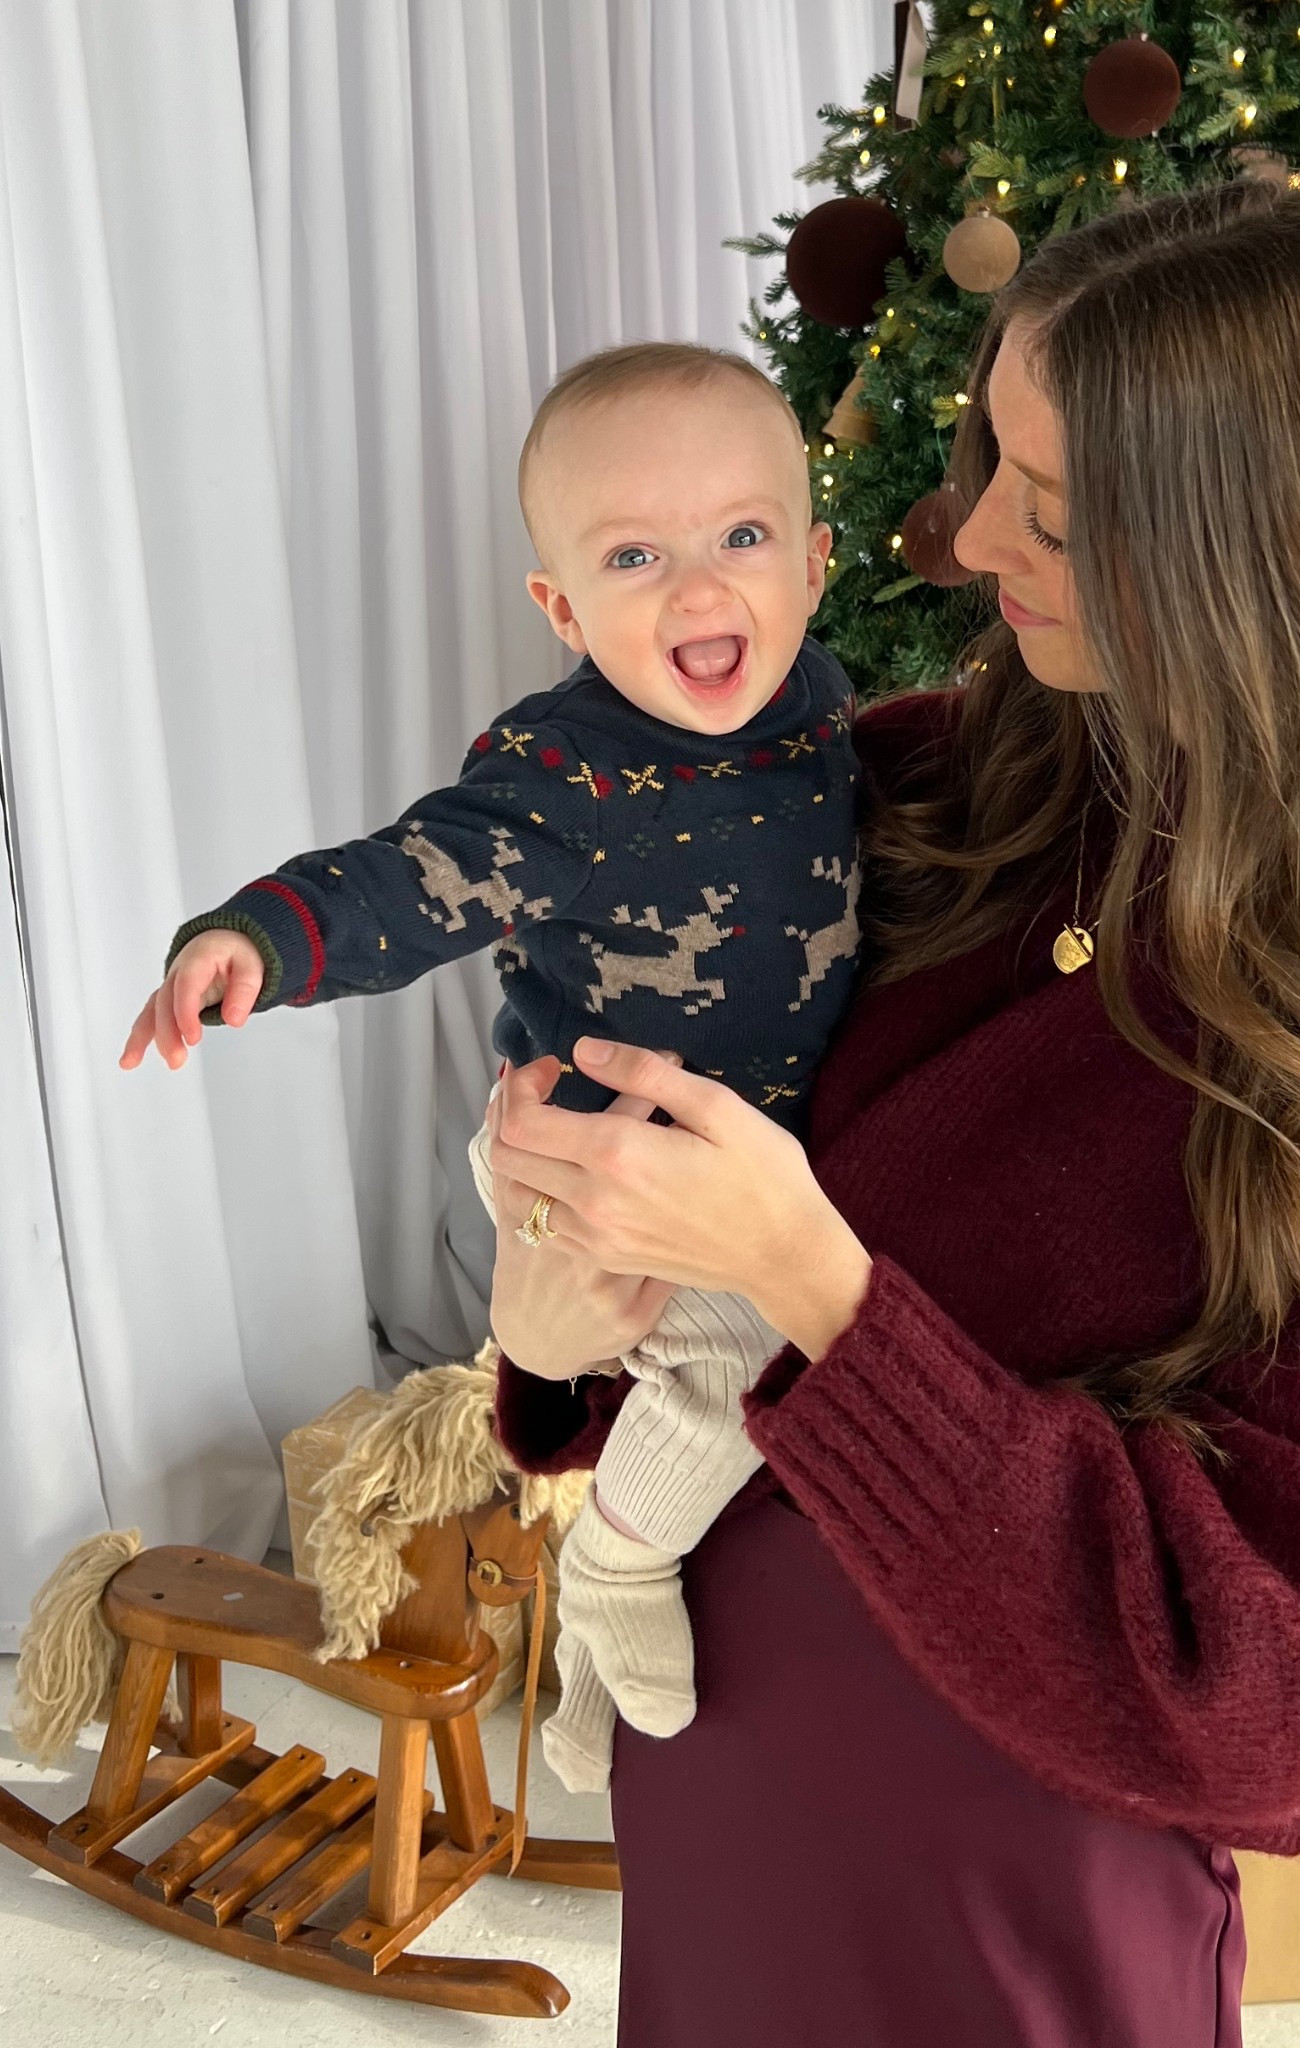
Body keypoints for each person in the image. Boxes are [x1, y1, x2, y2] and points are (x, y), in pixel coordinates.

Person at [482, 175, 1300, 2048]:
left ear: (1256, 549)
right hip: (717, 1751)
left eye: (1050, 510)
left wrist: (822, 1289)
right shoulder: (903, 791)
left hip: (1015, 1855)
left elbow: (1291, 1696)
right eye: (989, 460)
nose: (966, 537)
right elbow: (621, 1259)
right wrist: (556, 1299)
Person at [117, 341, 865, 1790]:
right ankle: (621, 1570)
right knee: (747, 1365)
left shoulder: (826, 707)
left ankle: (595, 1593)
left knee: (752, 1344)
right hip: (595, 1149)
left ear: (818, 561)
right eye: (636, 556)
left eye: (745, 537)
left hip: (739, 1151)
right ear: (563, 607)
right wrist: (261, 943)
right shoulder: (561, 777)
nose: (703, 591)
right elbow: (410, 880)